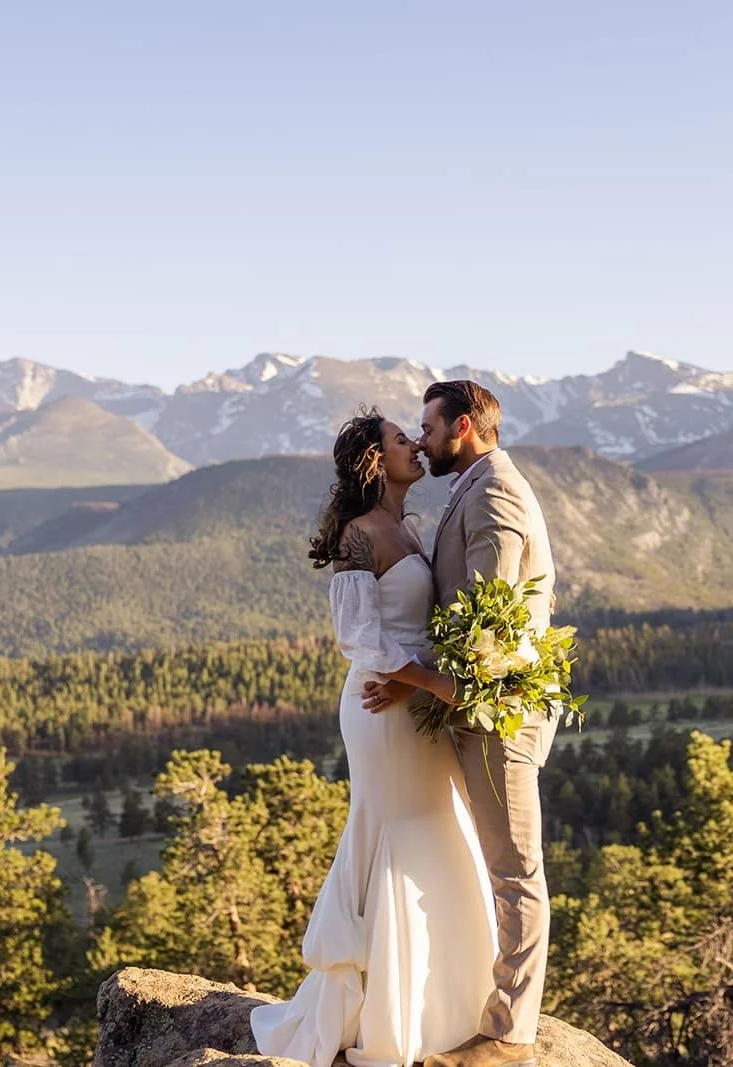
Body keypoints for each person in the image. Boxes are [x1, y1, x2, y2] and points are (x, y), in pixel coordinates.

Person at [251, 410, 497, 1067]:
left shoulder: (409, 526)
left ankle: (446, 1004)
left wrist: (429, 682)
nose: (416, 444)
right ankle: (386, 1014)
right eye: (400, 439)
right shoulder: (360, 535)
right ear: (372, 460)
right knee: (396, 829)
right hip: (381, 704)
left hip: (412, 699)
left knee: (440, 824)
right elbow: (357, 635)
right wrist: (428, 683)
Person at [364, 380, 557, 1067]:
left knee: (514, 871)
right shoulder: (472, 486)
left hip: (500, 714)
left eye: (429, 426)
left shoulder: (496, 491)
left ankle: (510, 1036)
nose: (421, 439)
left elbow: (492, 628)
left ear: (464, 425)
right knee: (497, 866)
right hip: (472, 709)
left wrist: (413, 676)